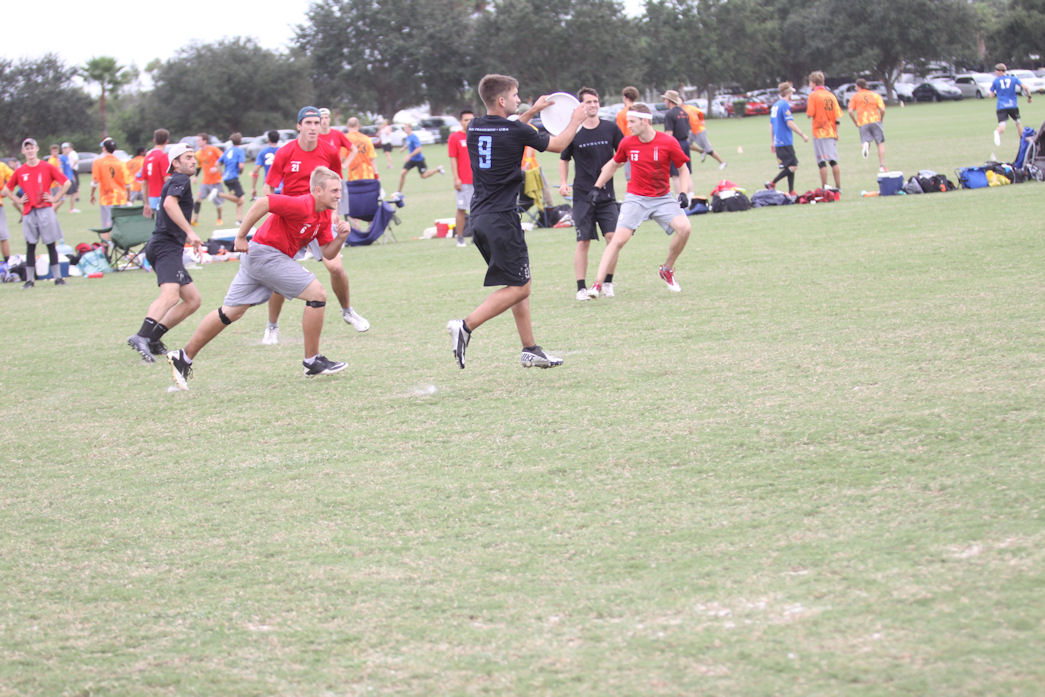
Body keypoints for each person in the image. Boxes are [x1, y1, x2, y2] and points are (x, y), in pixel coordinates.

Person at [166, 167, 353, 390]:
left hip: (259, 257)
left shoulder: (323, 216)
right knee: (318, 295)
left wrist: (341, 238)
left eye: (339, 190)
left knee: (230, 312)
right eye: (334, 191)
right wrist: (241, 236)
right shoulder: (302, 204)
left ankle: (183, 357)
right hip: (265, 254)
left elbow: (327, 253)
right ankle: (312, 361)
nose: (339, 195)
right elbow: (264, 203)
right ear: (318, 190)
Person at [446, 73, 585, 370]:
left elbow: (509, 129)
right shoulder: (515, 130)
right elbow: (559, 144)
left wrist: (533, 111)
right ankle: (465, 326)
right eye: (515, 95)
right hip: (501, 219)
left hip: (480, 217)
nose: (518, 99)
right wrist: (576, 119)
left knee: (517, 281)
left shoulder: (475, 126)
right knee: (521, 288)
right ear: (501, 100)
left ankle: (530, 349)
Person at [262, 105, 369, 345]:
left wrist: (335, 213)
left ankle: (348, 311)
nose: (313, 127)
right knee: (280, 278)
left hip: (320, 219)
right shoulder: (285, 152)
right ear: (298, 126)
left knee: (336, 267)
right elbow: (269, 186)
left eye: (316, 123)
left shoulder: (329, 151)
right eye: (308, 123)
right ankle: (272, 327)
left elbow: (336, 185)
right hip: (290, 222)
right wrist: (272, 209)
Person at [586, 103, 691, 297]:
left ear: (645, 121)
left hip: (662, 198)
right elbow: (613, 164)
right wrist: (596, 187)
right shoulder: (627, 143)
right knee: (618, 240)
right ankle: (597, 284)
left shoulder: (668, 142)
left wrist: (683, 192)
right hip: (636, 198)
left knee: (685, 228)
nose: (628, 126)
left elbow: (683, 169)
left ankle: (667, 269)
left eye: (632, 122)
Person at [126, 143, 204, 362]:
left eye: (193, 157)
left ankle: (153, 338)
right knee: (170, 296)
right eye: (187, 157)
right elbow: (170, 204)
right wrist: (190, 232)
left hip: (166, 246)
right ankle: (141, 336)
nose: (193, 161)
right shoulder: (180, 179)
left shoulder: (175, 180)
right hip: (165, 247)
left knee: (192, 300)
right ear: (175, 163)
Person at [558, 86, 623, 301]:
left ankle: (607, 283)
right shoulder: (574, 131)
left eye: (595, 101)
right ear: (581, 106)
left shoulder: (610, 128)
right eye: (588, 102)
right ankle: (581, 288)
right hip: (582, 196)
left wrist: (614, 167)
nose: (593, 105)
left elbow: (622, 154)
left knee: (613, 239)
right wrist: (563, 182)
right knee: (583, 241)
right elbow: (564, 159)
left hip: (607, 195)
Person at [2, 138, 71, 288]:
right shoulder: (20, 171)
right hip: (29, 211)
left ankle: (58, 277)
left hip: (45, 209)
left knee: (50, 244)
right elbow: (6, 189)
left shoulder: (46, 167)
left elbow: (66, 182)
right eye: (27, 148)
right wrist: (17, 200)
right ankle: (30, 280)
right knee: (30, 245)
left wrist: (55, 198)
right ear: (23, 151)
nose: (30, 151)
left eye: (32, 147)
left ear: (37, 149)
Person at [766, 82, 809, 195]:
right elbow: (789, 123)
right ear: (788, 92)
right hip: (784, 140)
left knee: (790, 166)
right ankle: (772, 183)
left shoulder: (775, 105)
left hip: (778, 141)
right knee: (793, 166)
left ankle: (791, 190)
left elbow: (771, 124)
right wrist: (802, 134)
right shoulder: (784, 105)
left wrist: (772, 141)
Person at [806, 71, 843, 191]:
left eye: (810, 82)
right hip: (831, 131)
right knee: (833, 161)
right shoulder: (831, 95)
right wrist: (836, 132)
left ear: (814, 83)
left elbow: (810, 113)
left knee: (821, 161)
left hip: (820, 132)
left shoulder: (813, 95)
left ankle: (825, 187)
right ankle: (838, 187)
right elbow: (837, 116)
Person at [446, 109, 474, 247]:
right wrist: (456, 178)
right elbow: (453, 159)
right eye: (466, 120)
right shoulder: (455, 137)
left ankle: (477, 236)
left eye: (471, 120)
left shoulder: (477, 135)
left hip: (479, 180)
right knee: (461, 208)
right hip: (464, 180)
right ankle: (460, 237)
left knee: (478, 210)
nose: (468, 122)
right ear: (460, 122)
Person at [847, 78, 887, 171]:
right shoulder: (874, 95)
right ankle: (882, 165)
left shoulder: (855, 97)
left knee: (865, 140)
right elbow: (882, 109)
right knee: (879, 143)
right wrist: (881, 118)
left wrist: (855, 121)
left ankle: (866, 145)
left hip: (863, 121)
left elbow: (850, 111)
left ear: (858, 86)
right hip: (875, 119)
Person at [90, 138, 130, 228]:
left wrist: (92, 194)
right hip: (120, 197)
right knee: (120, 225)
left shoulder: (98, 162)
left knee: (107, 226)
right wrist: (128, 197)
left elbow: (95, 181)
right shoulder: (121, 163)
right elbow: (127, 183)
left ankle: (107, 237)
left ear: (104, 148)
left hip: (106, 198)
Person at [990, 62, 1032, 147]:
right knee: (1018, 123)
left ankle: (997, 132)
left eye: (996, 71)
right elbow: (1026, 87)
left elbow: (991, 95)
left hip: (1001, 106)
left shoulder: (996, 81)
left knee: (1002, 126)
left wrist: (997, 93)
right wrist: (1029, 97)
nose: (995, 73)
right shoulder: (1013, 79)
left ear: (1000, 71)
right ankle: (1022, 141)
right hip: (1012, 105)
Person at [661, 90, 692, 198]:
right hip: (685, 143)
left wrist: (664, 148)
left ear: (669, 101)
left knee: (676, 174)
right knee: (686, 172)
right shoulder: (684, 112)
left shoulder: (669, 114)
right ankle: (690, 197)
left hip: (675, 145)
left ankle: (680, 198)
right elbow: (688, 130)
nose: (664, 101)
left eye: (665, 99)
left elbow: (669, 134)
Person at [396, 123, 443, 194]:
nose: (405, 129)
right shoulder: (408, 137)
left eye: (406, 128)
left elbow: (419, 149)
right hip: (412, 160)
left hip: (419, 160)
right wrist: (403, 148)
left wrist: (409, 156)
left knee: (423, 176)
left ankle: (438, 170)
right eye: (404, 128)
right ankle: (399, 192)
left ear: (410, 128)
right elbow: (408, 144)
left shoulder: (414, 137)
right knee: (402, 173)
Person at [682, 100, 727, 169]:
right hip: (691, 131)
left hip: (699, 130)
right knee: (687, 144)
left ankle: (722, 162)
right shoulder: (679, 110)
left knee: (709, 150)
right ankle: (701, 152)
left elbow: (699, 112)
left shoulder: (689, 108)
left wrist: (702, 120)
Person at [190, 133, 223, 226]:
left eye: (199, 140)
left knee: (218, 203)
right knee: (198, 199)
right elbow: (199, 166)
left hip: (216, 181)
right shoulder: (198, 153)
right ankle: (195, 219)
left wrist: (216, 167)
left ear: (205, 141)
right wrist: (195, 177)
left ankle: (219, 218)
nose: (197, 142)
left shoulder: (213, 149)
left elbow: (223, 158)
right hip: (205, 181)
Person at [216, 132, 247, 224]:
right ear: (240, 141)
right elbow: (241, 166)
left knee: (240, 200)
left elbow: (217, 164)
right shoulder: (239, 151)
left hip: (227, 178)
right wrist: (240, 171)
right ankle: (220, 194)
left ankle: (239, 220)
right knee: (240, 199)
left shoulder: (227, 151)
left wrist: (222, 174)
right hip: (233, 177)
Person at [140, 129, 171, 219]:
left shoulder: (147, 157)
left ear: (154, 140)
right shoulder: (163, 156)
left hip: (151, 198)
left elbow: (144, 183)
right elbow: (166, 179)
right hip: (163, 197)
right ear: (167, 141)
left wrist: (146, 203)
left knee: (156, 223)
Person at [344, 117, 378, 181]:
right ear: (358, 126)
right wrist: (376, 174)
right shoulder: (366, 139)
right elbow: (372, 159)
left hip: (354, 176)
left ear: (347, 126)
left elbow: (341, 158)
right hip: (368, 175)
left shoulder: (345, 139)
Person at [250, 130, 280, 200]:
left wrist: (253, 188)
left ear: (268, 140)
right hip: (282, 186)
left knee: (269, 205)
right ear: (278, 139)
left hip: (268, 186)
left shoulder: (262, 152)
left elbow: (256, 169)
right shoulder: (283, 151)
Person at [60, 142, 82, 213]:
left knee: (73, 193)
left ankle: (72, 209)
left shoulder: (69, 157)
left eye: (67, 148)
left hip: (71, 178)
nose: (66, 150)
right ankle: (54, 207)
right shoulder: (61, 158)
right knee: (64, 195)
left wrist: (73, 177)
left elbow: (70, 169)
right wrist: (62, 180)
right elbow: (61, 170)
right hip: (66, 179)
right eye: (64, 148)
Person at [0, 157, 13, 263]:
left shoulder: (1, 166)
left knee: (3, 235)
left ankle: (7, 264)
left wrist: (6, 191)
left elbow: (14, 177)